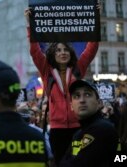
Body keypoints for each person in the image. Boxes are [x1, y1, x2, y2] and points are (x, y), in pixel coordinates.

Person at [24, 7, 99, 166]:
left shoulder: (79, 68)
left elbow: (92, 48)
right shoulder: (47, 71)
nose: (62, 52)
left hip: (79, 129)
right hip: (57, 131)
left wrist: (95, 18)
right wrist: (30, 25)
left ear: (70, 53)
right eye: (58, 50)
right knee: (59, 163)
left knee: (80, 163)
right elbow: (34, 51)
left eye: (66, 49)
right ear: (53, 53)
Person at [60, 80, 118, 167]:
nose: (82, 100)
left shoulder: (103, 128)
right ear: (71, 106)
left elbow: (80, 164)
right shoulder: (78, 134)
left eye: (87, 95)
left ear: (99, 103)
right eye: (77, 96)